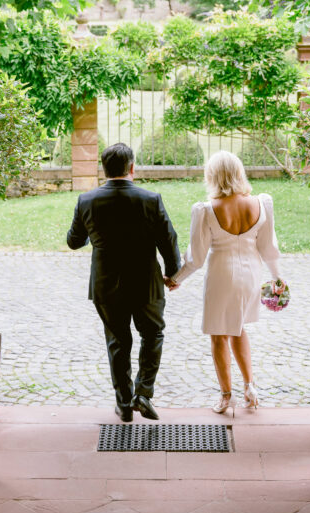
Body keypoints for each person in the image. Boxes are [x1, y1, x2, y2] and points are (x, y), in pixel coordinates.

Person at [67, 142, 180, 423]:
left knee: (118, 341)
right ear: (132, 168)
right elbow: (169, 240)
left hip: (106, 284)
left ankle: (124, 404)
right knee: (152, 335)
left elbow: (73, 241)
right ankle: (143, 393)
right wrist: (173, 273)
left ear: (104, 170)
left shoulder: (86, 200)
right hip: (146, 283)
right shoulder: (150, 199)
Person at [166, 151, 282, 417]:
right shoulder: (261, 203)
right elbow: (268, 247)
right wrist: (277, 277)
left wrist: (176, 279)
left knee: (219, 336)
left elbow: (196, 258)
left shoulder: (206, 210)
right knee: (239, 328)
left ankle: (226, 396)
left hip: (221, 274)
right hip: (251, 273)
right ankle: (250, 389)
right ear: (239, 172)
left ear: (213, 176)